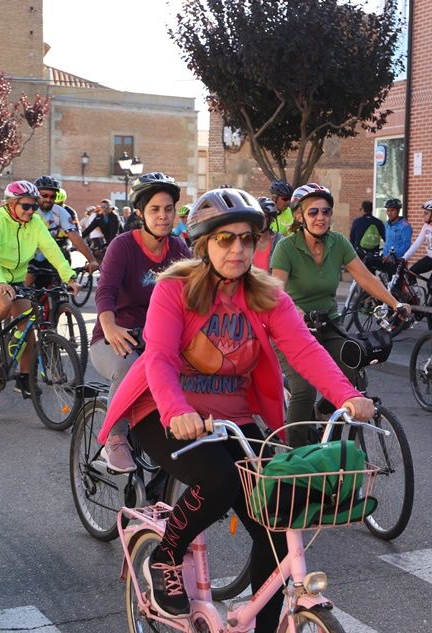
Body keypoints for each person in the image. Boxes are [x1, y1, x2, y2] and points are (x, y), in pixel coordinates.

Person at [95, 186, 372, 627]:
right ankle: (166, 556)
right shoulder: (175, 290)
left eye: (247, 238)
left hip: (234, 419)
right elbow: (161, 359)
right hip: (164, 411)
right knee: (219, 480)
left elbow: (304, 350)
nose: (239, 249)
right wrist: (176, 412)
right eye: (226, 239)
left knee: (276, 520)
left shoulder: (267, 294)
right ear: (204, 244)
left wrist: (348, 395)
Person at [271, 183, 409, 445]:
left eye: (326, 211)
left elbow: (364, 277)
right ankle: (296, 453)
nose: (321, 217)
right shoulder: (286, 248)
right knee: (303, 388)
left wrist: (395, 303)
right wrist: (296, 310)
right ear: (299, 216)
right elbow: (276, 289)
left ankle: (327, 420)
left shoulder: (339, 243)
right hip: (293, 328)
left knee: (354, 367)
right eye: (313, 212)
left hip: (328, 323)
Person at [92, 172, 192, 473]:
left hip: (158, 337)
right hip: (114, 336)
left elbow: (194, 290)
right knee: (127, 367)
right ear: (140, 213)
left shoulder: (177, 249)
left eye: (168, 209)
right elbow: (105, 290)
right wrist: (108, 325)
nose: (163, 216)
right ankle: (115, 438)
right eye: (155, 209)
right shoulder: (123, 246)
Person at [0, 181, 81, 397]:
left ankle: (24, 378)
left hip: (14, 277)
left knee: (29, 324)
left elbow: (51, 249)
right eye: (25, 206)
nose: (30, 211)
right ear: (12, 204)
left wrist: (69, 277)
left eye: (34, 206)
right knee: (3, 304)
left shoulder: (35, 222)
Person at [25, 176, 99, 288]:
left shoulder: (60, 212)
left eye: (52, 196)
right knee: (22, 293)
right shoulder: (28, 210)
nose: (48, 199)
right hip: (26, 258)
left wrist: (92, 260)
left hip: (49, 257)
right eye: (44, 195)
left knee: (55, 290)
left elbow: (75, 236)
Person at [403, 199, 432, 278]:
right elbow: (417, 242)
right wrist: (404, 258)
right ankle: (417, 290)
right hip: (430, 257)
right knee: (410, 273)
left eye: (426, 213)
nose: (423, 215)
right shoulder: (426, 226)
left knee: (431, 285)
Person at [251, 196, 282, 271]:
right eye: (256, 216)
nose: (258, 220)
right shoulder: (246, 239)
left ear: (271, 220)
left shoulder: (280, 242)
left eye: (263, 217)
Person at [349, 200, 385, 264]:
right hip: (374, 254)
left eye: (360, 209)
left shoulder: (357, 222)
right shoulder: (378, 222)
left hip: (360, 254)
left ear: (363, 210)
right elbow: (385, 238)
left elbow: (352, 238)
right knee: (371, 272)